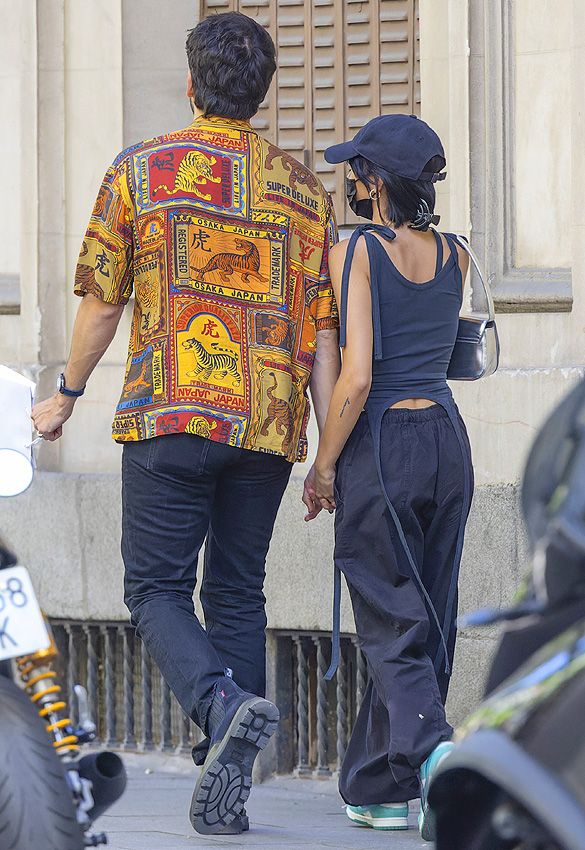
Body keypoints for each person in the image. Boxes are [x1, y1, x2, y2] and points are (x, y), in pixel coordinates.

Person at [31, 12, 340, 836]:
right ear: (262, 88)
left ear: (194, 82)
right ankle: (227, 772)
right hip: (267, 426)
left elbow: (103, 303)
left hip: (171, 412)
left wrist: (66, 391)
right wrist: (328, 456)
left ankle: (220, 702)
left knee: (155, 587)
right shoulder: (306, 193)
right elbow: (321, 341)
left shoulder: (142, 170)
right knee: (236, 588)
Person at [302, 114, 474, 841]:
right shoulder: (458, 253)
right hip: (446, 438)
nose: (347, 183)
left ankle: (436, 753)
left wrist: (323, 464)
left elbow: (355, 378)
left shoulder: (357, 251)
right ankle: (379, 786)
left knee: (387, 617)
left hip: (382, 442)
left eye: (354, 171)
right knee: (426, 615)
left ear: (373, 181)